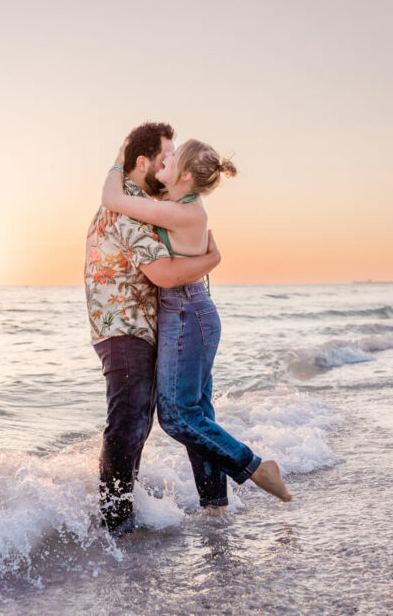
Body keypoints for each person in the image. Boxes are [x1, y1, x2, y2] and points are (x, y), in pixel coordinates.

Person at [101, 138, 292, 510]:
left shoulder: (186, 213)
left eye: (172, 157)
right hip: (191, 314)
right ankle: (215, 504)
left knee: (175, 416)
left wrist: (118, 159)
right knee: (199, 413)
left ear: (185, 175)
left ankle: (255, 467)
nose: (165, 158)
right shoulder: (175, 206)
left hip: (188, 314)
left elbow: (113, 199)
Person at [84, 122, 222, 535]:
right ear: (141, 162)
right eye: (163, 157)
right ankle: (116, 525)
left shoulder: (144, 202)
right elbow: (163, 273)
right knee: (129, 421)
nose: (169, 163)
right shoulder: (122, 208)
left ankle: (205, 506)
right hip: (125, 328)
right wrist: (212, 261)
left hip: (151, 325)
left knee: (152, 418)